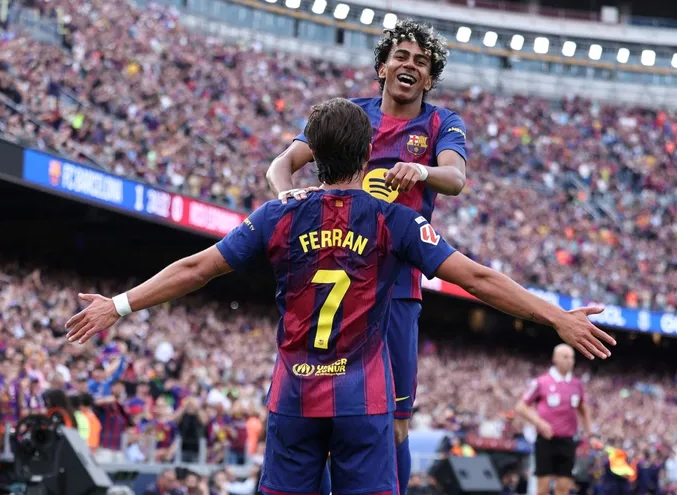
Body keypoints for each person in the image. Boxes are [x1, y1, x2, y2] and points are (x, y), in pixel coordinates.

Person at [65, 98, 614, 494]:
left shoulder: (277, 215)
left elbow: (196, 268)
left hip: (293, 398)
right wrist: (556, 317)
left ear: (314, 156)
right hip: (362, 402)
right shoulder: (395, 220)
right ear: (370, 151)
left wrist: (118, 305)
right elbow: (478, 279)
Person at [267, 20, 467, 495]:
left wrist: (421, 170)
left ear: (430, 78)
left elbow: (456, 179)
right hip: (330, 277)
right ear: (382, 67)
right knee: (317, 412)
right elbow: (281, 164)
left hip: (395, 286)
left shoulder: (442, 123)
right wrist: (287, 196)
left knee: (394, 421)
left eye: (421, 62)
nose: (410, 65)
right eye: (401, 56)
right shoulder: (351, 116)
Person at [515, 344, 594, 495]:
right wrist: (539, 422)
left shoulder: (577, 384)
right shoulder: (541, 382)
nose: (569, 361)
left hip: (567, 441)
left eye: (571, 357)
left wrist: (590, 433)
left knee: (563, 488)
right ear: (555, 359)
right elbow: (521, 407)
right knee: (543, 488)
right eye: (565, 357)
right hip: (546, 440)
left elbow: (584, 409)